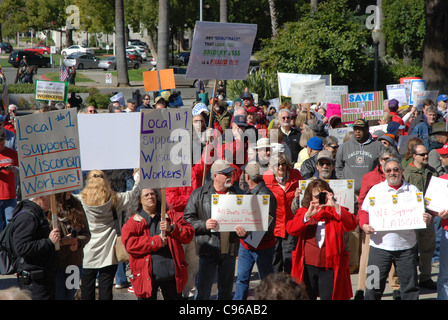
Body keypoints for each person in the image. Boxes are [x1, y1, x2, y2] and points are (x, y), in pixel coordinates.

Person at [358, 158, 432, 300]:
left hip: (406, 248)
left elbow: (423, 213)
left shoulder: (412, 190)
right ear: (384, 173)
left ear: (402, 171)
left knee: (410, 288)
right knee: (372, 286)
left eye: (396, 170)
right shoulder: (375, 190)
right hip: (379, 247)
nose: (392, 173)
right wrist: (364, 225)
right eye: (389, 170)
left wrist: (427, 218)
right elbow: (364, 212)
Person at [74, 169, 140, 300]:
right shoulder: (116, 199)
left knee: (87, 287)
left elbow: (64, 196)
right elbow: (133, 194)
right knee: (106, 287)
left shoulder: (80, 200)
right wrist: (139, 176)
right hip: (108, 252)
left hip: (87, 251)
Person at [287, 179, 357, 300]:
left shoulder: (335, 211)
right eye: (316, 196)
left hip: (329, 266)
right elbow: (291, 229)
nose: (319, 199)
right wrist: (307, 216)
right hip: (308, 265)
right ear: (310, 197)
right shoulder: (304, 211)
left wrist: (334, 205)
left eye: (322, 195)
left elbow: (352, 225)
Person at [121, 188, 194, 300]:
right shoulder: (134, 221)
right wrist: (155, 242)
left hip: (172, 276)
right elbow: (131, 245)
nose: (150, 197)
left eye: (153, 194)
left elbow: (189, 234)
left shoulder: (169, 215)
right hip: (146, 277)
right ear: (139, 200)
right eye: (146, 195)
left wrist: (172, 228)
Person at [183, 159, 241, 300]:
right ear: (215, 176)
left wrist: (244, 232)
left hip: (229, 249)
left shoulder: (238, 193)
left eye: (231, 173)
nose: (229, 176)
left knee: (226, 292)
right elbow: (187, 219)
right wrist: (204, 224)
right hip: (208, 248)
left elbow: (247, 220)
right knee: (203, 290)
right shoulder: (199, 194)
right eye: (225, 174)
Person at [335, 118, 383, 273]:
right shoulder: (345, 146)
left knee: (369, 227)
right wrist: (344, 182)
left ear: (367, 129)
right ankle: (353, 264)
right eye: (355, 128)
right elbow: (338, 165)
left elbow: (387, 162)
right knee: (353, 228)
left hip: (371, 193)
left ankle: (368, 262)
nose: (357, 131)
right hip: (351, 193)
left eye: (360, 129)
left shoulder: (377, 146)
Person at [354, 146, 401, 300]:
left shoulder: (398, 175)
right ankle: (364, 288)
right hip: (373, 225)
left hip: (392, 223)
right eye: (386, 159)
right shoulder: (369, 177)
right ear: (380, 161)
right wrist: (363, 222)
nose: (389, 163)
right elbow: (362, 202)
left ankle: (396, 287)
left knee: (395, 257)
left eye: (392, 159)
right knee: (368, 258)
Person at [233, 162, 277, 300]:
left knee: (265, 282)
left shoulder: (265, 196)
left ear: (248, 177)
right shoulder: (251, 192)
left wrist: (248, 235)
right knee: (242, 279)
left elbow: (268, 226)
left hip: (262, 246)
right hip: (247, 244)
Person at [403, 143, 438, 290]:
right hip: (410, 217)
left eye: (426, 154)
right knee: (409, 250)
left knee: (427, 248)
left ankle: (425, 277)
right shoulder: (406, 173)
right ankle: (409, 280)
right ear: (414, 156)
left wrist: (431, 213)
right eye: (422, 154)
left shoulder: (432, 171)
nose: (425, 157)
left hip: (427, 216)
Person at [12, 196, 61, 300]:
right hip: (35, 282)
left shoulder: (37, 213)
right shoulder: (28, 216)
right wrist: (49, 241)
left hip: (43, 278)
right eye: (51, 197)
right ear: (41, 198)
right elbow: (21, 247)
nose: (54, 201)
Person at [263, 153, 303, 274]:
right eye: (277, 165)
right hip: (273, 225)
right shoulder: (266, 179)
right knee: (275, 257)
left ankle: (288, 284)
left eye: (283, 164)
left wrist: (298, 197)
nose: (280, 167)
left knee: (289, 256)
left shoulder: (296, 176)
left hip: (290, 223)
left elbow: (304, 197)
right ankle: (276, 286)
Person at [52, 192, 91, 300]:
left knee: (70, 296)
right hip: (55, 265)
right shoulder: (47, 207)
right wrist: (62, 242)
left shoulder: (76, 205)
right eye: (66, 189)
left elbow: (86, 233)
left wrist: (78, 243)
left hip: (74, 264)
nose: (70, 191)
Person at [0, 129, 18, 232]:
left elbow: (22, 171)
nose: (0, 147)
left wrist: (13, 169)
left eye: (2, 144)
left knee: (11, 226)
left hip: (10, 196)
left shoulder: (12, 153)